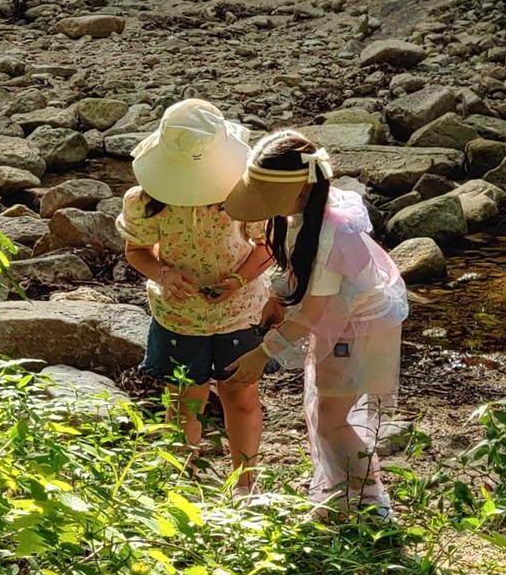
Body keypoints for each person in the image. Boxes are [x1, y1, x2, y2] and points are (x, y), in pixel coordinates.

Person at [222, 130, 408, 519]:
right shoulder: (303, 215)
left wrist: (264, 353)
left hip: (360, 329)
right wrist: (277, 300)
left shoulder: (329, 235)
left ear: (300, 190)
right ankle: (344, 499)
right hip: (348, 321)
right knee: (328, 416)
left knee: (332, 422)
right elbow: (298, 273)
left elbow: (312, 315)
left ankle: (372, 504)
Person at [117, 99, 274, 491]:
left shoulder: (244, 192)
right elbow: (137, 250)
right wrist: (163, 273)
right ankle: (182, 484)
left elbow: (268, 246)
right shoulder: (145, 200)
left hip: (240, 312)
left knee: (240, 396)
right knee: (185, 402)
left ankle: (245, 486)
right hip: (180, 315)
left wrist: (238, 280)